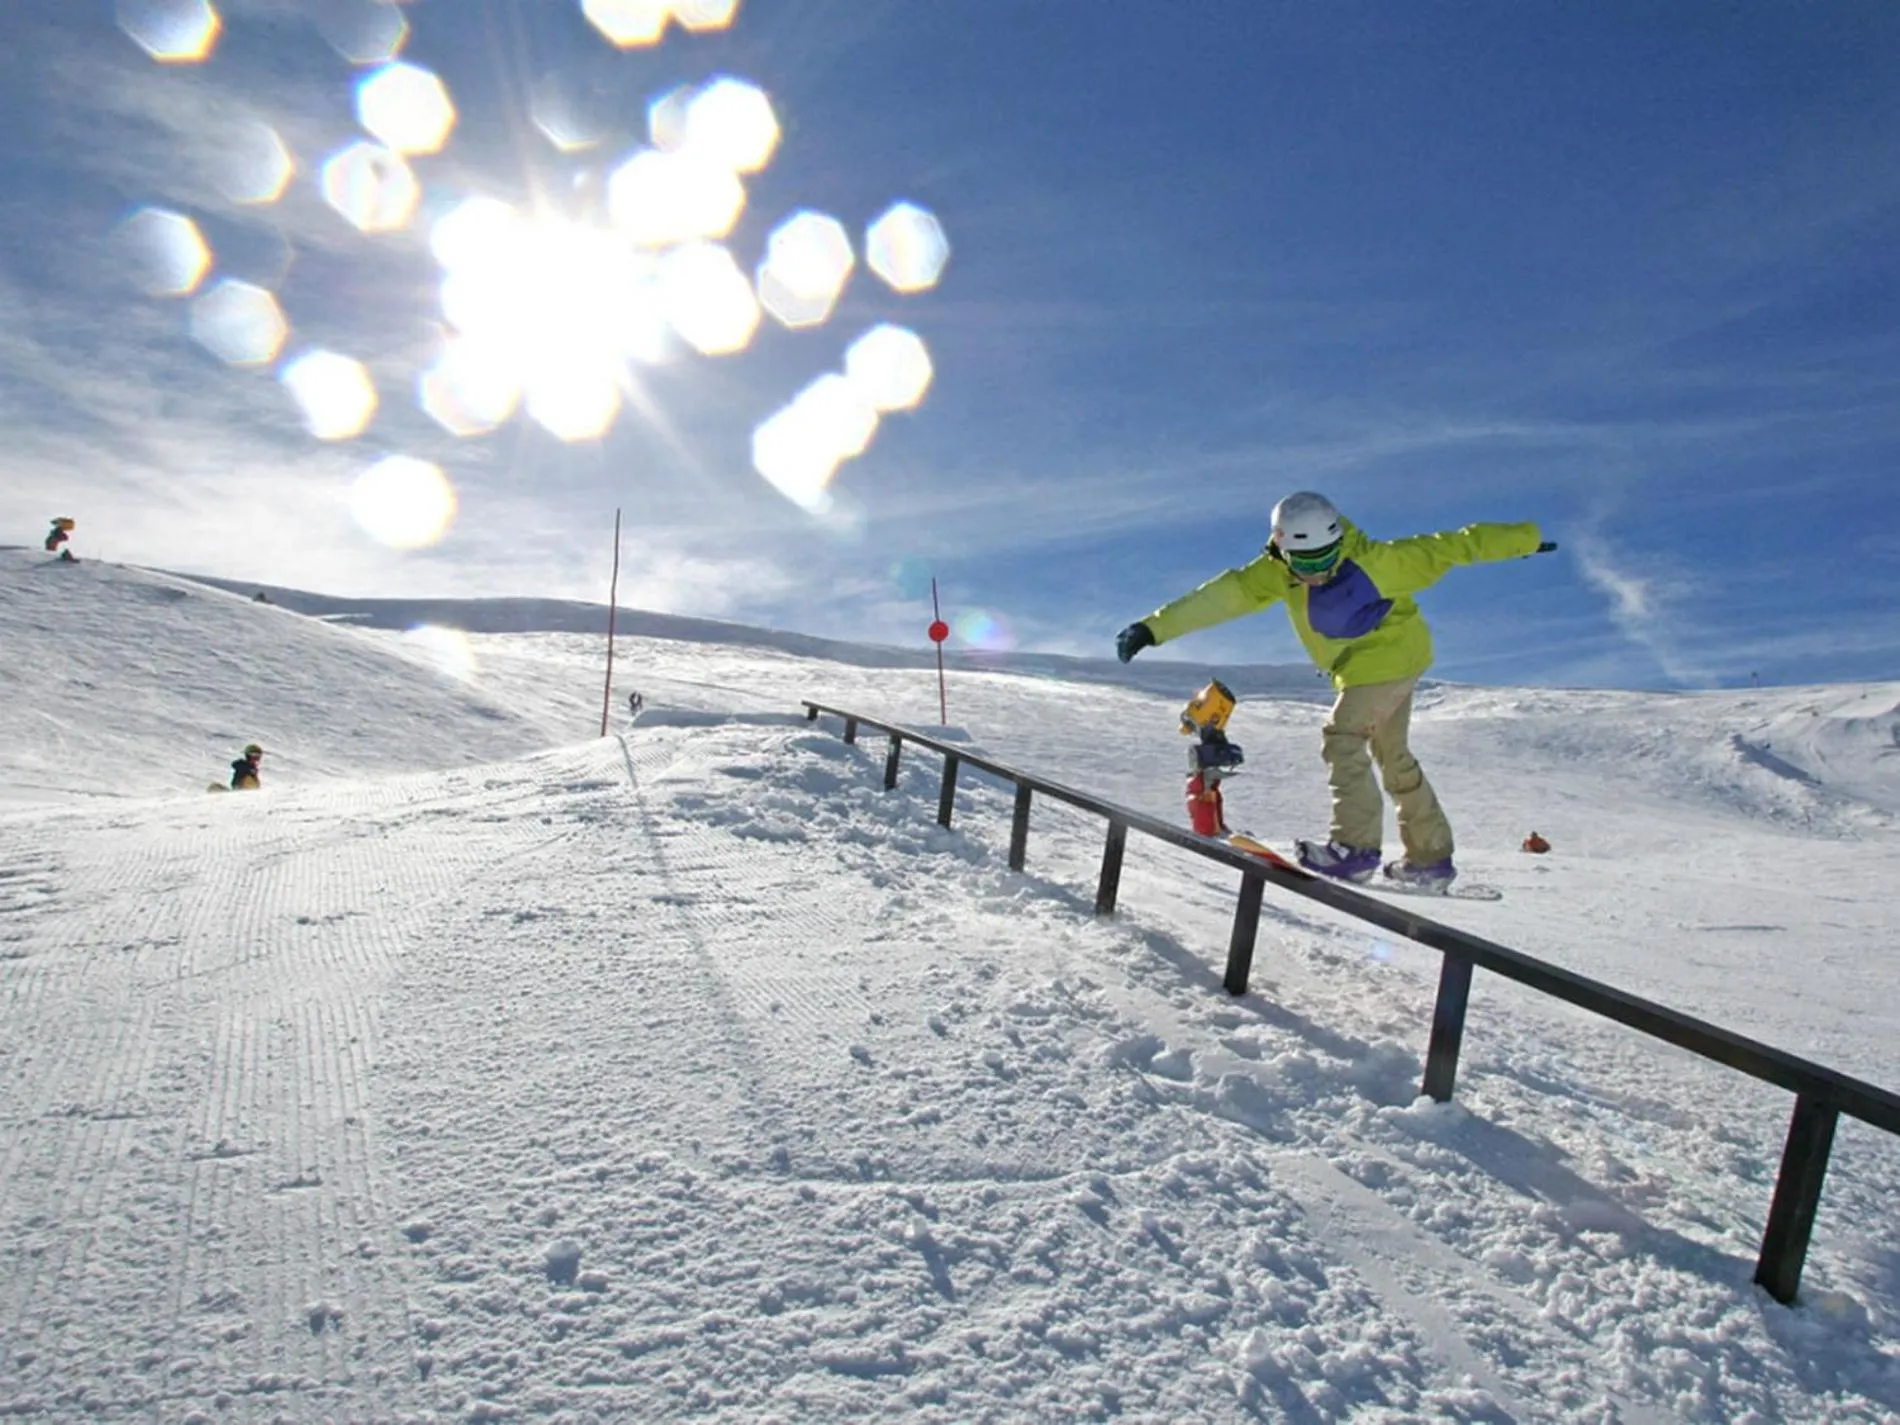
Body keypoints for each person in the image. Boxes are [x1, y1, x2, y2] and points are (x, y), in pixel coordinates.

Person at [1116, 491, 1555, 891]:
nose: (1319, 571)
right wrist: (1152, 628)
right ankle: (1430, 859)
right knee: (1393, 757)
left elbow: (1457, 545)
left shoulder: (1377, 562)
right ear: (1283, 551)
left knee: (1343, 736)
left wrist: (1525, 540)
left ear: (1339, 540)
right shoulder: (1272, 575)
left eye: (1326, 557)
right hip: (1372, 669)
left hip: (1389, 658)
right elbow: (1221, 596)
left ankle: (1355, 849)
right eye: (1305, 563)